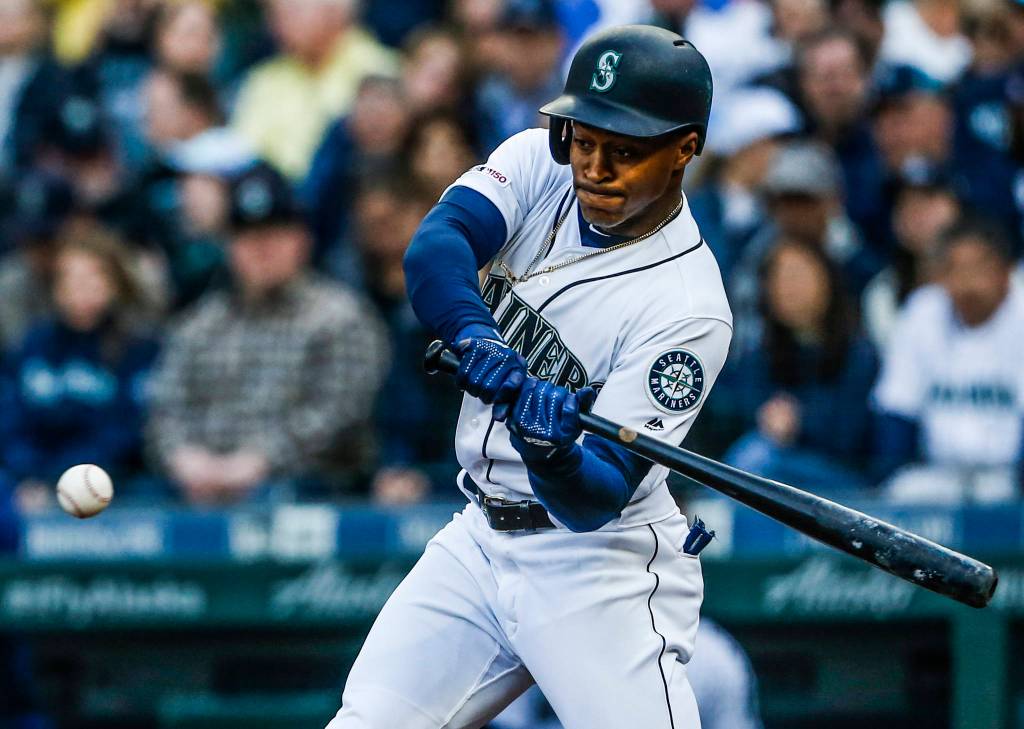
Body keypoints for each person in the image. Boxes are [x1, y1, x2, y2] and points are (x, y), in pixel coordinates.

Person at [327, 25, 732, 729]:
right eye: (584, 139)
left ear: (684, 149)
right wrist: (475, 330)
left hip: (596, 568)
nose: (595, 167)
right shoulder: (542, 165)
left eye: (626, 150)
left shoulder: (688, 309)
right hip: (479, 535)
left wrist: (553, 453)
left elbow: (596, 495)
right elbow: (436, 246)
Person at [146, 163, 389, 506]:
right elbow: (164, 408)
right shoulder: (199, 323)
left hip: (311, 493)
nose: (261, 248)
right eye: (247, 236)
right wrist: (182, 457)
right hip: (199, 495)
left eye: (275, 233)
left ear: (302, 240)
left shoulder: (339, 316)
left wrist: (259, 461)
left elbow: (339, 414)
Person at [0, 226, 160, 512]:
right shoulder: (33, 345)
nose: (79, 287)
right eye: (69, 277)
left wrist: (59, 480)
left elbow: (126, 431)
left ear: (114, 282)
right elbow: (11, 420)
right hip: (29, 483)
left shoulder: (137, 348)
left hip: (109, 483)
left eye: (91, 276)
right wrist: (30, 475)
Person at [872, 216, 1024, 503]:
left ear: (1006, 272)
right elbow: (897, 410)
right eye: (955, 269)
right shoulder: (922, 310)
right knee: (902, 490)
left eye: (979, 268)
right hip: (936, 474)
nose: (967, 283)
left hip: (1009, 478)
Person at [718, 238, 878, 494]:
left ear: (826, 279)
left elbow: (854, 433)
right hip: (776, 471)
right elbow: (740, 414)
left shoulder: (859, 353)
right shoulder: (758, 355)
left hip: (846, 479)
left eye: (798, 275)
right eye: (778, 278)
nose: (788, 288)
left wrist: (798, 421)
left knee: (757, 459)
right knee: (755, 454)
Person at [230, 0, 399, 179]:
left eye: (291, 12)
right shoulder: (262, 79)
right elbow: (241, 154)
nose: (276, 24)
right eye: (274, 15)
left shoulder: (380, 68)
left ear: (334, 13)